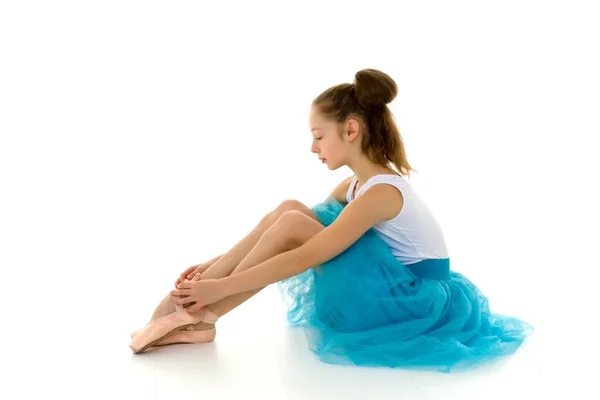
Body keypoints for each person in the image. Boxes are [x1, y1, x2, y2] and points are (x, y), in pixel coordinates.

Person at [129, 68, 534, 372]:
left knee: (295, 224)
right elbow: (284, 228)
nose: (312, 147)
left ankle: (201, 314)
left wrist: (222, 286)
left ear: (352, 130)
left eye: (319, 135)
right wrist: (213, 265)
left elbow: (307, 251)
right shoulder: (355, 185)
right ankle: (200, 312)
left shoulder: (382, 193)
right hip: (387, 285)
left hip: (411, 302)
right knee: (291, 209)